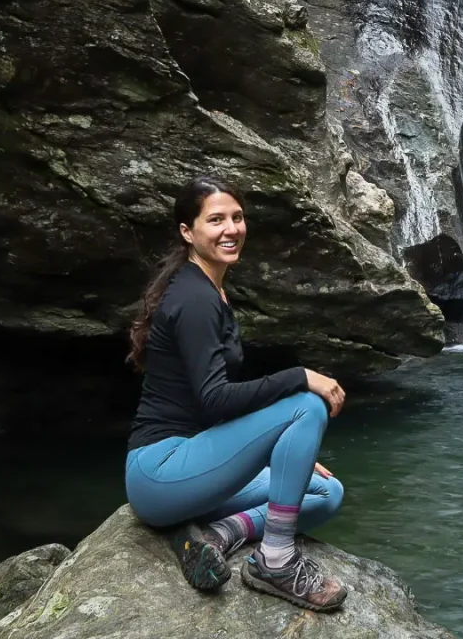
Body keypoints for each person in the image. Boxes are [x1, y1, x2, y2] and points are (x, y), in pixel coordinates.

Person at [124, 176, 349, 612]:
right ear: (188, 232)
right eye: (216, 220)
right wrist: (300, 376)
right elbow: (216, 399)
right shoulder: (194, 299)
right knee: (306, 404)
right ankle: (276, 561)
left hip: (196, 464)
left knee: (325, 492)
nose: (231, 228)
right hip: (161, 470)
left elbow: (212, 410)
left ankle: (216, 534)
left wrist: (281, 451)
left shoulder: (212, 290)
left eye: (237, 217)